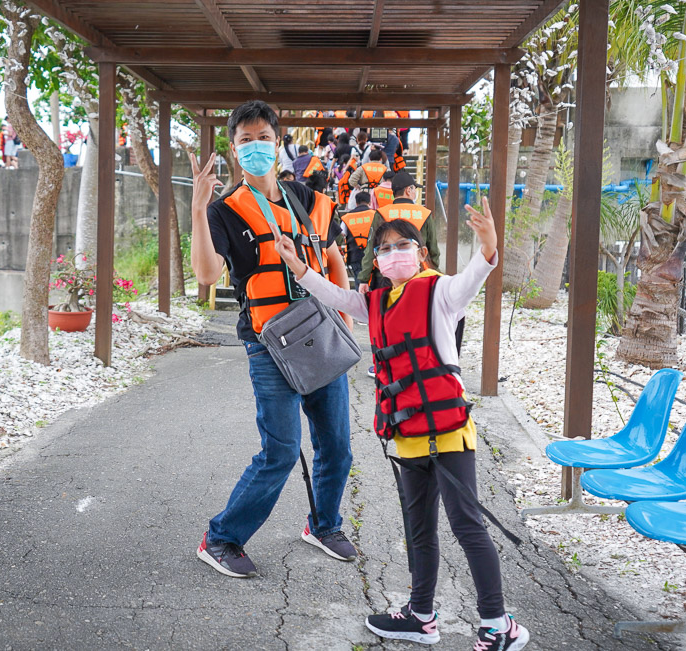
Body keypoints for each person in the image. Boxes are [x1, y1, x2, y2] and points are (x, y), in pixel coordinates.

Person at [271, 202, 530, 651]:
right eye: (385, 248)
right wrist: (297, 267)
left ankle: (498, 624)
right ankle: (421, 615)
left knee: (467, 525)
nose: (394, 253)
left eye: (403, 245)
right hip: (406, 436)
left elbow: (479, 270)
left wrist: (489, 241)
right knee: (419, 529)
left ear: (422, 254)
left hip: (447, 433)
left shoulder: (443, 294)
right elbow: (333, 296)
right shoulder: (374, 302)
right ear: (376, 261)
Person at [189, 100, 356, 579]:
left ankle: (324, 525)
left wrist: (345, 309)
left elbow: (331, 256)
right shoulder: (223, 211)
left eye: (264, 137)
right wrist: (199, 210)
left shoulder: (308, 198)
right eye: (246, 140)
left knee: (338, 446)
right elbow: (205, 274)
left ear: (278, 142)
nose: (256, 146)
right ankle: (220, 537)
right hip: (268, 340)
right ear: (234, 149)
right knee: (281, 450)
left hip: (319, 330)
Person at [358, 170, 439, 292]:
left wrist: (364, 279)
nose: (415, 193)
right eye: (414, 189)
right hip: (417, 276)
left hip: (386, 278)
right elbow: (433, 251)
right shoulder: (424, 214)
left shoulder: (381, 214)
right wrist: (435, 276)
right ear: (408, 190)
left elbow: (371, 248)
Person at [340, 191, 373, 287]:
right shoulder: (375, 215)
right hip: (372, 256)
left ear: (356, 203)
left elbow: (342, 234)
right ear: (369, 202)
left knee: (359, 284)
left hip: (354, 255)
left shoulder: (347, 217)